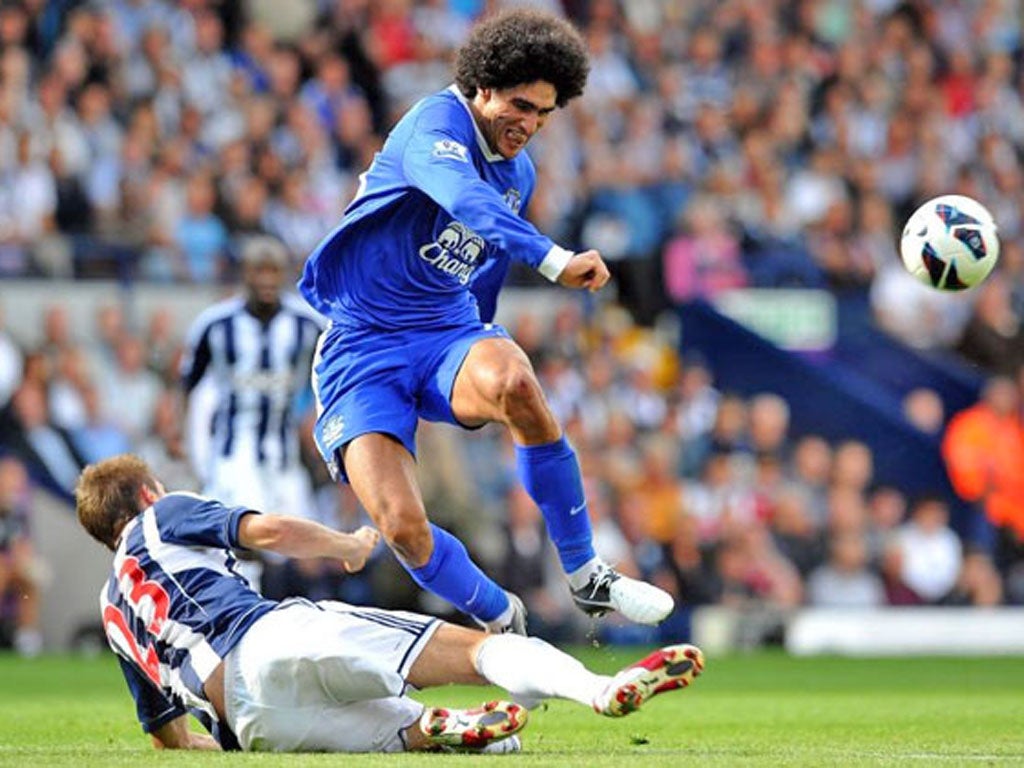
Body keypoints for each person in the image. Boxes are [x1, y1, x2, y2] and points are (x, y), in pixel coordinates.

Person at [298, 8, 673, 634]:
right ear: (483, 86)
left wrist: (480, 344)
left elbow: (485, 263)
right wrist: (554, 260)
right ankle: (504, 621)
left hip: (444, 332)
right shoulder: (430, 127)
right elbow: (465, 200)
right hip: (361, 345)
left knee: (514, 382)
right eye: (520, 106)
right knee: (402, 526)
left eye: (543, 114)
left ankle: (587, 574)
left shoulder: (517, 172)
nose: (528, 124)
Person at [74, 454, 704, 754]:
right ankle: (600, 688)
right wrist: (345, 545)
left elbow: (170, 741)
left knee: (405, 730)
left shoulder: (111, 612)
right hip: (265, 637)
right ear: (148, 494)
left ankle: (441, 728)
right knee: (479, 650)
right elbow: (263, 532)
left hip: (250, 725)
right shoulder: (165, 517)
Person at [179, 234, 325, 586]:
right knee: (243, 539)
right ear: (244, 274)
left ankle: (312, 626)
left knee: (312, 551)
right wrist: (188, 444)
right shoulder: (214, 325)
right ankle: (247, 623)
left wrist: (318, 425)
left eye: (273, 271)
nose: (266, 280)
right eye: (259, 271)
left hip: (284, 456)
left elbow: (328, 381)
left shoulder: (307, 325)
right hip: (233, 455)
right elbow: (188, 388)